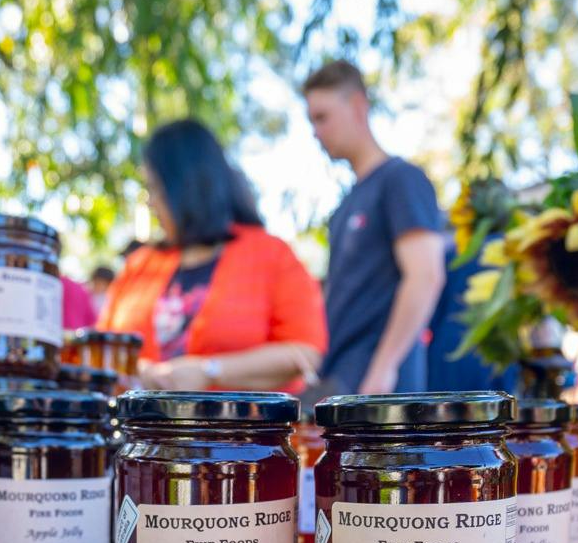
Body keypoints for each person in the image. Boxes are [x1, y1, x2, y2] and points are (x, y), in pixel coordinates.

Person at [100, 119, 324, 391]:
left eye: (156, 188)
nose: (150, 201)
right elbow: (100, 350)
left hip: (240, 430)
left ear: (185, 187)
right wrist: (138, 369)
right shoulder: (140, 265)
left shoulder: (271, 255)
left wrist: (211, 372)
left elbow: (303, 352)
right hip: (139, 429)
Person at [303, 60, 449, 395]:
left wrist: (383, 370)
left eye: (322, 117)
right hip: (340, 377)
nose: (315, 131)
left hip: (380, 391)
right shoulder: (345, 205)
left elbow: (426, 276)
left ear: (357, 106)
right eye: (312, 120)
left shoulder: (401, 180)